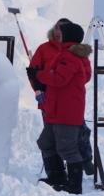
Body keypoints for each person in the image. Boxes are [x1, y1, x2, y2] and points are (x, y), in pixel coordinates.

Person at [26, 19, 95, 179]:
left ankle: (85, 163)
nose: (58, 31)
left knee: (77, 136)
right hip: (49, 101)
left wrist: (56, 79)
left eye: (62, 29)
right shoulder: (44, 48)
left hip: (67, 103)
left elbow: (77, 76)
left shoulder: (75, 52)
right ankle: (56, 175)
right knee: (49, 141)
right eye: (57, 27)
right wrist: (38, 88)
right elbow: (34, 71)